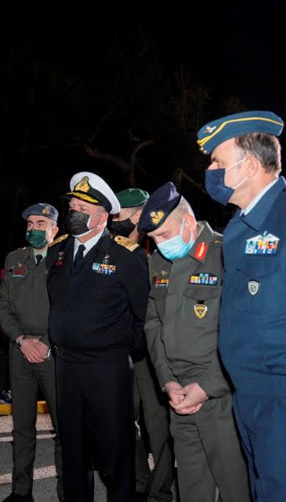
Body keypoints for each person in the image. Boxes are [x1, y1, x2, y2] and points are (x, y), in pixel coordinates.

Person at [198, 111, 286, 501]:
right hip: (251, 398)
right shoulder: (240, 227)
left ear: (251, 164)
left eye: (218, 162)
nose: (211, 171)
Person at [137, 182, 250, 502]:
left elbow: (243, 332)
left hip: (221, 395)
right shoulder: (158, 262)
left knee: (234, 487)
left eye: (164, 234)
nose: (159, 245)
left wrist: (206, 385)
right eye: (153, 238)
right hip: (178, 395)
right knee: (191, 486)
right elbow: (153, 323)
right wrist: (168, 381)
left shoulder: (225, 254)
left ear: (188, 222)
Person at [46, 171, 149, 502]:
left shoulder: (125, 254)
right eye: (72, 204)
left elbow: (143, 316)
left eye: (82, 206)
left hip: (108, 367)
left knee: (115, 448)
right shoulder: (57, 251)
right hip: (67, 365)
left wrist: (117, 350)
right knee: (72, 447)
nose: (73, 211)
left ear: (103, 215)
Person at [0, 202, 63, 502]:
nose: (33, 229)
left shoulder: (65, 260)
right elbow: (3, 306)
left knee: (65, 428)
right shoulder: (14, 258)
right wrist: (22, 341)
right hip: (20, 351)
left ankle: (68, 491)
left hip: (55, 352)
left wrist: (46, 343)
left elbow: (68, 309)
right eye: (30, 224)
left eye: (40, 224)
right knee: (22, 427)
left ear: (54, 230)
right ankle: (21, 492)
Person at [113, 188, 174, 502]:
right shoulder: (113, 251)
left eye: (121, 214)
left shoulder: (163, 249)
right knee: (124, 421)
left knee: (158, 423)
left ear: (140, 214)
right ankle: (139, 481)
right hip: (124, 351)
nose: (116, 220)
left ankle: (160, 491)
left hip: (155, 354)